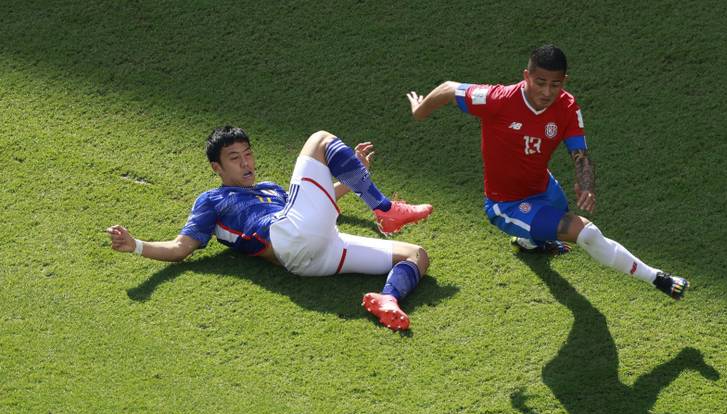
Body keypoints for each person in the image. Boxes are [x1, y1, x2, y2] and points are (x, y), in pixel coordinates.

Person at [406, 44, 688, 300]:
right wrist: (419, 111)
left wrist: (585, 183)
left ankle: (529, 242)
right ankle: (658, 278)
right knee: (586, 234)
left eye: (555, 84)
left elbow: (580, 154)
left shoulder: (567, 106)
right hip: (507, 204)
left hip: (545, 190)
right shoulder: (497, 99)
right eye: (540, 82)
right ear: (526, 76)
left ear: (564, 82)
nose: (546, 92)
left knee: (553, 222)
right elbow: (447, 88)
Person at [106, 126, 433, 330]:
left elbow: (317, 205)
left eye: (248, 154)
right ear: (216, 167)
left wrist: (354, 175)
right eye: (235, 158)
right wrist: (136, 245)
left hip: (317, 255)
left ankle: (388, 299)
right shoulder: (211, 200)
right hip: (287, 237)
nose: (246, 163)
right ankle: (385, 209)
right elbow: (180, 249)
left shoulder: (272, 189)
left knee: (416, 255)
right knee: (320, 139)